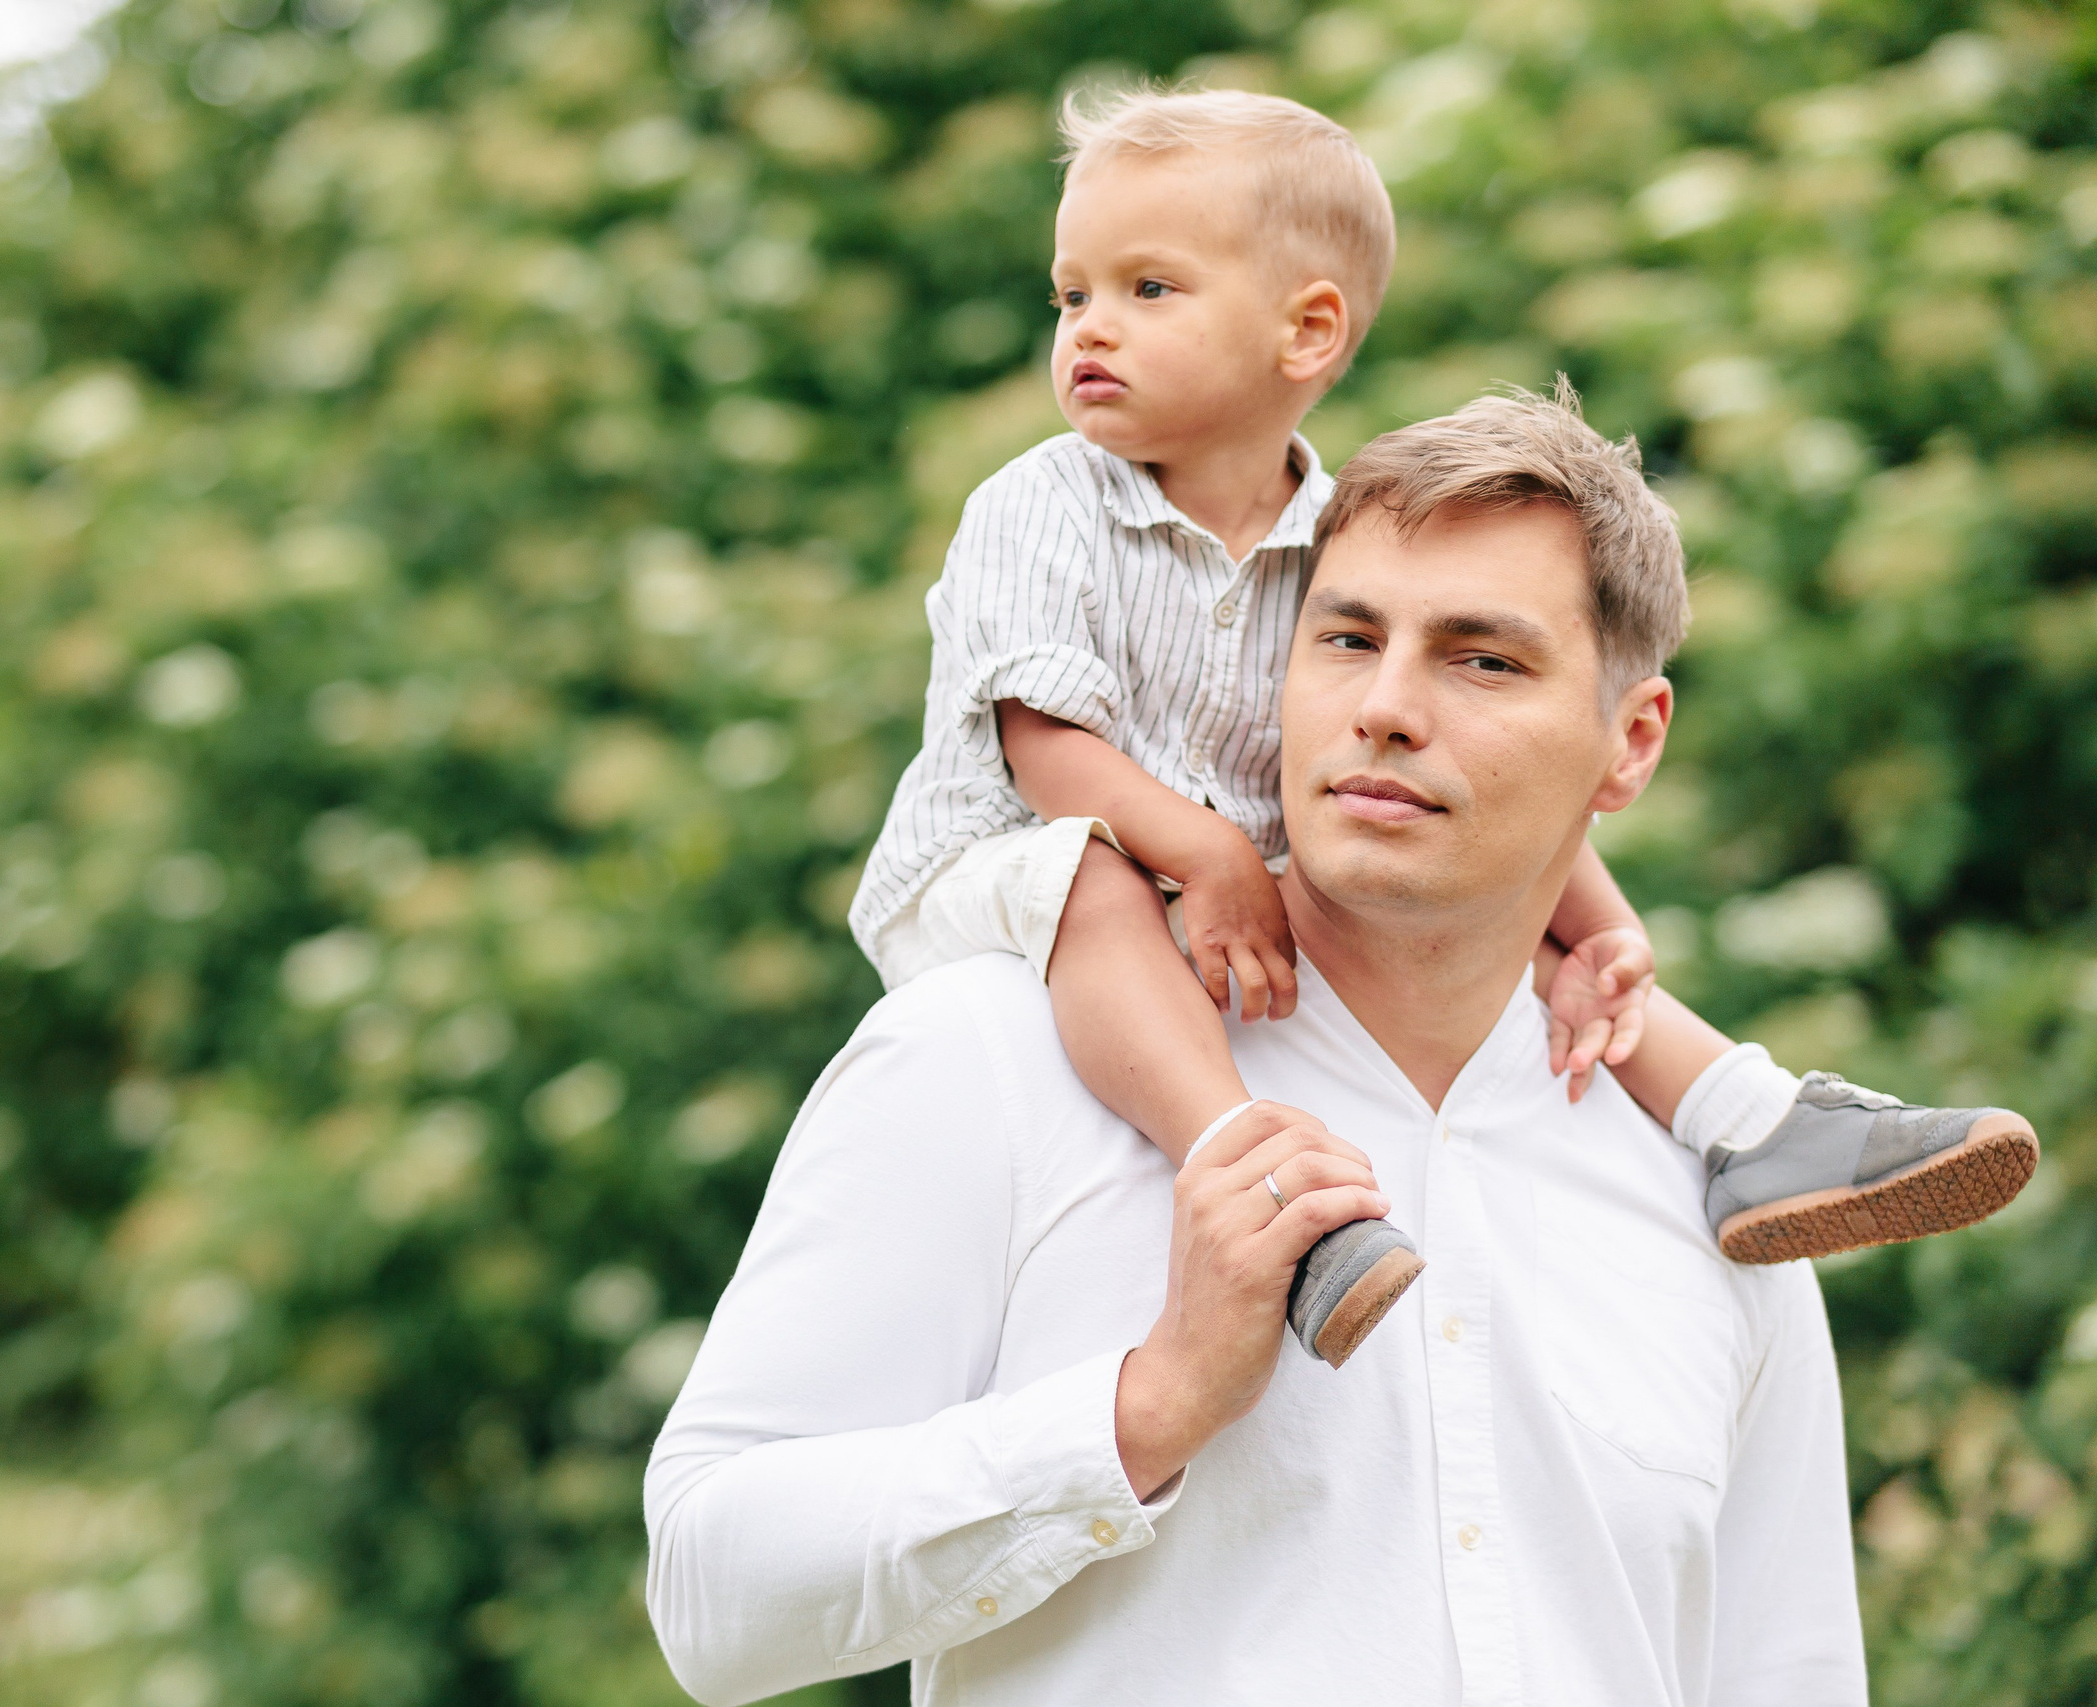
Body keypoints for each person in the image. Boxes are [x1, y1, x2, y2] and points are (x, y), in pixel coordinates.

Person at [650, 391, 1871, 1704]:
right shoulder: (988, 1056)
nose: (1388, 707)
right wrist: (1147, 1406)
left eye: (1484, 660)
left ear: (1629, 743)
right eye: (1346, 638)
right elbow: (715, 1593)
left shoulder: (1713, 1198)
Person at [849, 86, 2035, 1365]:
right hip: (1021, 858)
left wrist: (1602, 930)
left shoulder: (1332, 536)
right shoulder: (1041, 501)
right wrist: (1209, 858)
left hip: (1226, 871)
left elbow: (1436, 750)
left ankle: (1748, 1126)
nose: (1089, 330)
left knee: (1460, 890)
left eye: (1148, 290)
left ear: (1306, 332)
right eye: (1069, 295)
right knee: (1087, 883)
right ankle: (1256, 1185)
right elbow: (1045, 752)